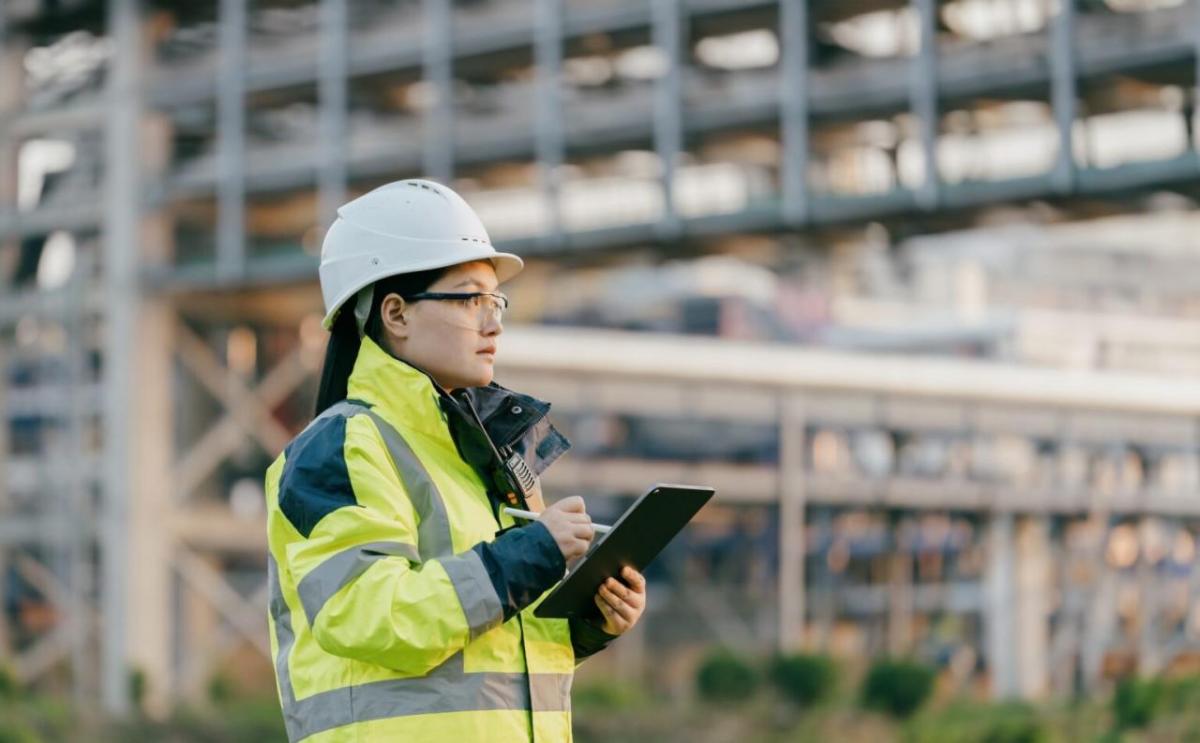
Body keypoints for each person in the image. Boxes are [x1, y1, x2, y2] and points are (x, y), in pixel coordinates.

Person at [264, 179, 647, 743]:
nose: (492, 323)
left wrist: (586, 623)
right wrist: (527, 557)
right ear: (395, 313)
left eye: (496, 302)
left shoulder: (486, 455)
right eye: (470, 299)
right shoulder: (343, 446)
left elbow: (478, 650)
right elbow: (369, 613)